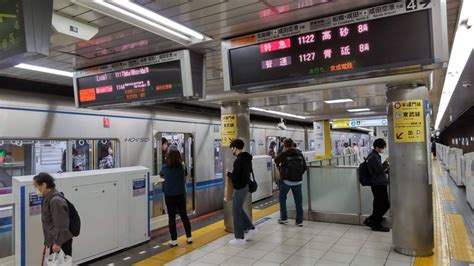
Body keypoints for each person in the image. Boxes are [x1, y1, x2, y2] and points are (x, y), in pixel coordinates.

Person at [33, 173, 73, 256]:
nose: (35, 189)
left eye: (36, 186)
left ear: (44, 185)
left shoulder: (55, 201)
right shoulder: (47, 197)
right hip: (56, 240)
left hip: (61, 242)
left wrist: (57, 243)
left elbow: (61, 224)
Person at [227, 139, 257, 245]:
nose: (232, 150)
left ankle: (239, 238)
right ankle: (251, 228)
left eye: (232, 148)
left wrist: (229, 174)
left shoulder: (239, 160)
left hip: (240, 188)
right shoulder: (247, 158)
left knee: (236, 212)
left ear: (236, 148)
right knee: (238, 209)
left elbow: (235, 177)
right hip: (245, 186)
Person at [160, 149, 192, 247]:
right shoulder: (182, 166)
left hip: (169, 196)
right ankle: (189, 237)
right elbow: (186, 173)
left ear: (168, 157)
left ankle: (174, 240)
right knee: (184, 216)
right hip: (181, 194)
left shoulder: (165, 167)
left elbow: (161, 174)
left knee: (172, 217)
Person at [274, 138, 307, 227]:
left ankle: (284, 219)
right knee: (298, 202)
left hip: (286, 181)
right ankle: (299, 221)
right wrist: (298, 175)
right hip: (298, 182)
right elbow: (304, 167)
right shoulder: (299, 153)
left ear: (284, 145)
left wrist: (283, 152)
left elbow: (276, 160)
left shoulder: (284, 154)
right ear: (292, 144)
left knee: (282, 198)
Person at [363, 138, 390, 232]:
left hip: (377, 183)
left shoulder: (374, 155)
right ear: (377, 147)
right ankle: (374, 222)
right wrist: (386, 163)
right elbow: (378, 170)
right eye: (382, 148)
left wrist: (384, 166)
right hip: (378, 184)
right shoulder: (373, 157)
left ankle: (372, 221)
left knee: (378, 205)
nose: (383, 149)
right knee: (384, 204)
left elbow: (377, 169)